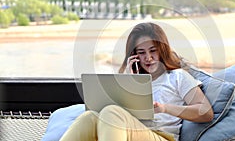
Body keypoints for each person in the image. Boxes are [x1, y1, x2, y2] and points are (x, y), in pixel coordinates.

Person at [60, 22, 214, 141]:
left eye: (153, 51)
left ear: (162, 49)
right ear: (134, 56)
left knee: (111, 111)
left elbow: (205, 112)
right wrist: (128, 81)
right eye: (141, 53)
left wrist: (165, 108)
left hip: (161, 137)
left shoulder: (177, 76)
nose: (148, 58)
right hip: (128, 133)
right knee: (91, 116)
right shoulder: (130, 77)